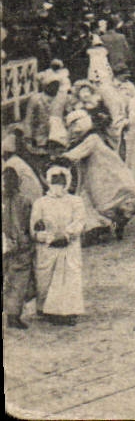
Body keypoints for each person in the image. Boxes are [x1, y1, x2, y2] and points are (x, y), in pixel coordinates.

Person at [61, 109, 135, 238]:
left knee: (104, 201)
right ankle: (107, 225)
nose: (74, 130)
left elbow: (76, 154)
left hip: (103, 174)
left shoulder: (92, 139)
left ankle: (104, 225)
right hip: (104, 172)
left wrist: (62, 157)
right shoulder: (94, 137)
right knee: (105, 200)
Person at [30, 165, 86, 325]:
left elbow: (79, 221)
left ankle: (68, 313)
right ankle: (47, 310)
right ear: (48, 181)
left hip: (69, 247)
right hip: (48, 249)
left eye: (61, 180)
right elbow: (35, 227)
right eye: (55, 180)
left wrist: (67, 235)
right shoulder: (40, 203)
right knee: (46, 281)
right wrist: (49, 238)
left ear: (67, 181)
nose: (58, 184)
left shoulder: (76, 201)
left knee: (69, 279)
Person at [3, 127, 43, 329]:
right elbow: (28, 222)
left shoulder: (6, 200)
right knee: (19, 278)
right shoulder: (22, 200)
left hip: (6, 243)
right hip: (19, 244)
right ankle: (13, 314)